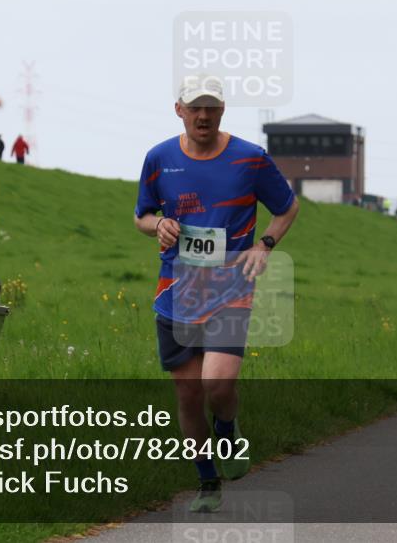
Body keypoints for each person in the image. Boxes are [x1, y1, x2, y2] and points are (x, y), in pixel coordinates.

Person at [134, 75, 299, 513]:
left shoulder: (250, 159)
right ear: (179, 110)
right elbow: (142, 215)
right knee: (188, 395)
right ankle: (207, 482)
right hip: (175, 292)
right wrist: (159, 225)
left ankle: (227, 428)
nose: (203, 115)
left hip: (231, 288)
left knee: (218, 383)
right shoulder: (159, 158)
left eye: (211, 107)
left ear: (223, 110)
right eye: (195, 107)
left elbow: (287, 207)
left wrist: (264, 245)